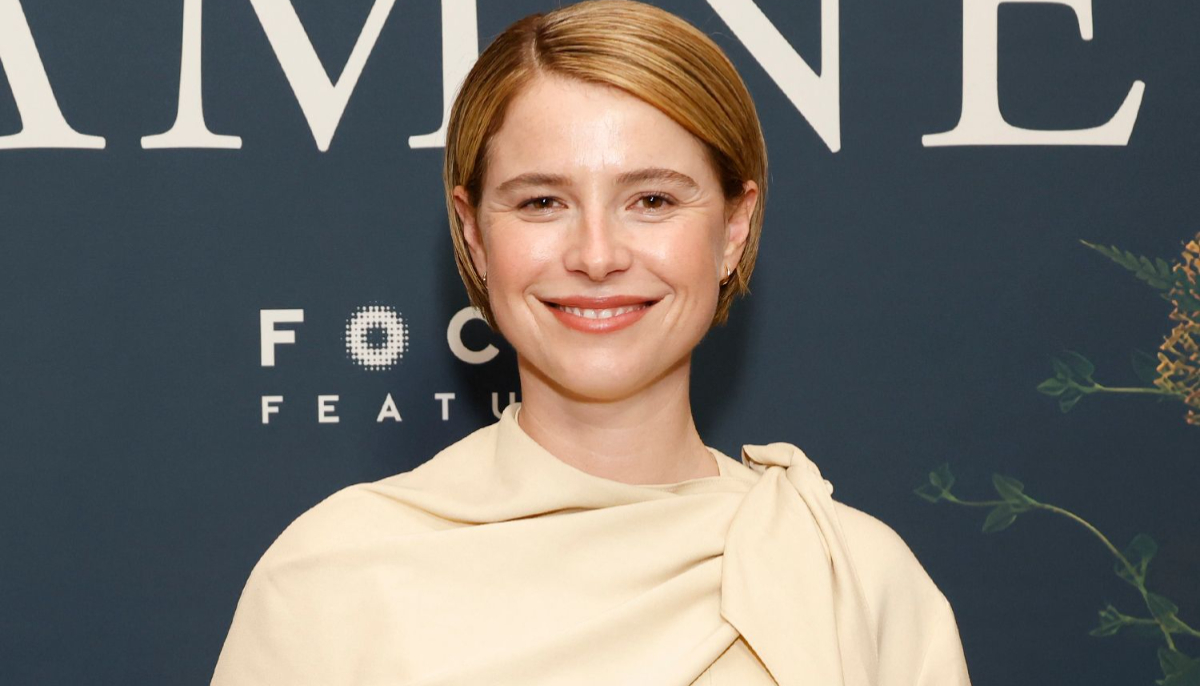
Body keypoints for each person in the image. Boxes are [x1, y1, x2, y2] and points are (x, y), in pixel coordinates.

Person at [210, 1, 972, 684]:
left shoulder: (858, 579)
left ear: (734, 228)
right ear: (474, 234)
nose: (597, 255)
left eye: (652, 199)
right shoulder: (330, 578)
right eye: (543, 202)